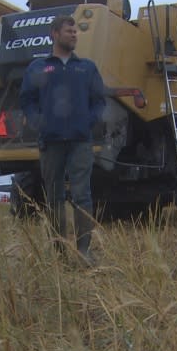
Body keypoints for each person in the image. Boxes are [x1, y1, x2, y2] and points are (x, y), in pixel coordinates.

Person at [20, 15, 106, 265]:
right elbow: (27, 100)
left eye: (76, 31)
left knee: (82, 195)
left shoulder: (86, 68)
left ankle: (83, 252)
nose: (74, 34)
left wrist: (87, 122)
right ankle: (58, 255)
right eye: (69, 31)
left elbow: (99, 101)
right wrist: (39, 122)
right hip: (51, 141)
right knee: (54, 197)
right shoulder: (38, 67)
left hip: (80, 141)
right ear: (54, 34)